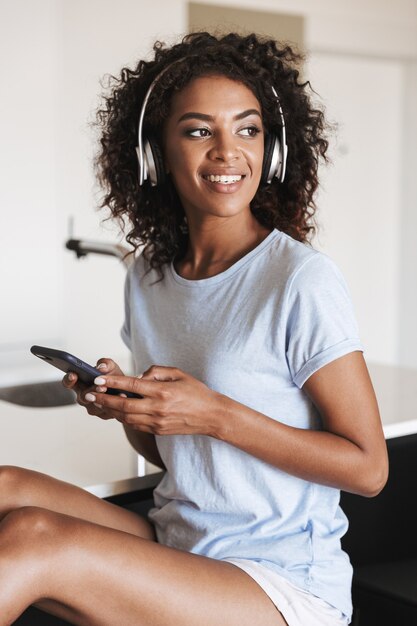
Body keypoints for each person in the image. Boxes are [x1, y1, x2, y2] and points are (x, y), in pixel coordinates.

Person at [0, 31, 388, 626]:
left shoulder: (299, 280)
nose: (228, 151)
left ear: (273, 150)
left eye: (249, 129)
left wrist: (214, 413)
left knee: (33, 537)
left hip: (279, 582)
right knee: (5, 486)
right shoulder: (150, 276)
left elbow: (368, 469)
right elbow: (175, 453)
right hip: (181, 541)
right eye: (200, 130)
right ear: (156, 151)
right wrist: (131, 410)